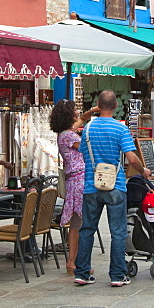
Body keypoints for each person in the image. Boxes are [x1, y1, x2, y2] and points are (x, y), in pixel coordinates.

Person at [74, 90, 150, 287]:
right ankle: (117, 274)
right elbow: (131, 158)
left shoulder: (88, 129)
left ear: (98, 106)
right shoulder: (120, 129)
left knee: (87, 229)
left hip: (91, 185)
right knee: (118, 231)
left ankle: (82, 272)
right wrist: (143, 171)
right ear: (115, 106)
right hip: (115, 185)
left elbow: (82, 153)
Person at [50, 100, 91, 275]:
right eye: (74, 111)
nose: (77, 113)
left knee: (76, 222)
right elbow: (86, 148)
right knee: (79, 223)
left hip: (74, 180)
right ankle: (74, 261)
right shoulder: (69, 136)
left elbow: (78, 123)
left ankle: (73, 261)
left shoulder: (64, 134)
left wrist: (87, 115)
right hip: (79, 181)